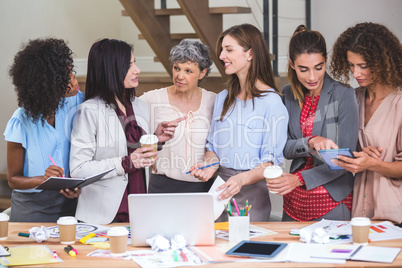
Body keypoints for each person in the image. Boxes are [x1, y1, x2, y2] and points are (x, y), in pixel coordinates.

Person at [70, 39, 185, 224]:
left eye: (135, 63)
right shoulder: (89, 111)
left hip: (139, 210)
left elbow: (137, 154)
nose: (137, 70)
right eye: (129, 65)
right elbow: (78, 170)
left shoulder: (140, 106)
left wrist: (156, 140)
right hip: (103, 216)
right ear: (111, 69)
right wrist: (124, 163)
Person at [190, 24, 289, 222]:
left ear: (250, 53)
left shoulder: (272, 102)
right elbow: (213, 148)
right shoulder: (222, 98)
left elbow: (269, 162)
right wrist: (210, 165)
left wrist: (240, 180)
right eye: (222, 50)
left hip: (252, 192)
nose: (221, 56)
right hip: (219, 190)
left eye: (229, 50)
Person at [267, 25, 359, 221]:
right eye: (303, 69)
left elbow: (346, 159)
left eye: (319, 67)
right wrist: (311, 141)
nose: (312, 77)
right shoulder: (288, 94)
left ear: (325, 60)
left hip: (331, 200)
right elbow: (285, 147)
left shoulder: (344, 94)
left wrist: (299, 179)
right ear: (291, 64)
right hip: (294, 201)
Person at [3, 38, 84, 222]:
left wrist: (76, 184)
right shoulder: (20, 121)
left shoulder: (78, 102)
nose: (74, 80)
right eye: (67, 76)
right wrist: (43, 180)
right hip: (31, 209)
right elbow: (13, 179)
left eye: (71, 72)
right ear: (48, 84)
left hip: (70, 205)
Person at [330, 22, 402, 223]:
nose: (356, 74)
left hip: (394, 214)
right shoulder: (353, 98)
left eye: (363, 66)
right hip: (358, 214)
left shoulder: (399, 103)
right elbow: (344, 146)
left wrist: (373, 164)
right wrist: (357, 157)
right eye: (351, 65)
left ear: (383, 62)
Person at [139, 39, 216, 193]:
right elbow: (132, 140)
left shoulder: (214, 101)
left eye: (188, 71)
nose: (180, 76)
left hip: (204, 188)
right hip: (162, 187)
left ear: (203, 73)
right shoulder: (151, 100)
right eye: (176, 68)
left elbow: (220, 146)